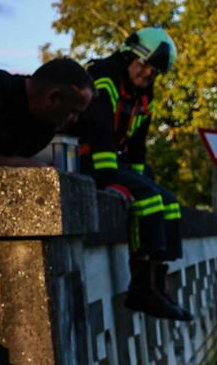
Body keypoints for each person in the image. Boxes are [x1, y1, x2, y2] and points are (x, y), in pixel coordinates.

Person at [73, 28, 193, 321]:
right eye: (144, 65)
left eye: (154, 70)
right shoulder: (105, 79)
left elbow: (138, 145)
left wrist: (139, 178)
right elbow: (99, 130)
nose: (148, 73)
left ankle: (157, 280)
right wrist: (113, 177)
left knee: (170, 203)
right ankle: (141, 288)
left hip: (115, 162)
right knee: (148, 199)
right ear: (129, 56)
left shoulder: (143, 94)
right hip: (88, 160)